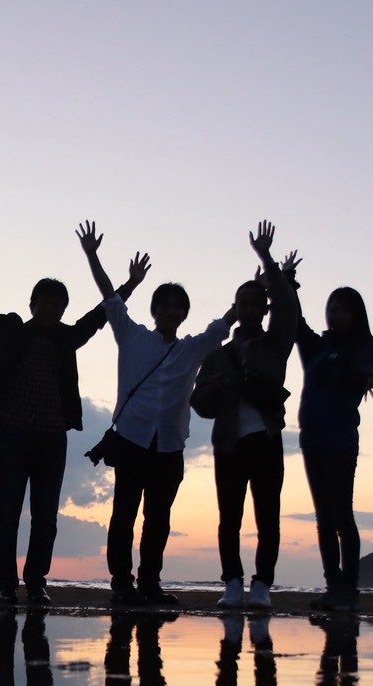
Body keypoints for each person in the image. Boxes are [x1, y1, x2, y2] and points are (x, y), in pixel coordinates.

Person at [0, 235, 147, 605]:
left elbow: (99, 317)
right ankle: (5, 584)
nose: (50, 308)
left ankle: (36, 581)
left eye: (58, 303)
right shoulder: (14, 330)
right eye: (44, 302)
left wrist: (130, 285)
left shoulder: (67, 337)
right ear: (32, 305)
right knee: (8, 511)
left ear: (63, 309)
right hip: (13, 433)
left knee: (46, 515)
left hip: (51, 438)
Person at [80, 220, 236, 607]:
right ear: (154, 310)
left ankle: (149, 583)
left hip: (169, 446)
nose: (170, 310)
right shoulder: (133, 336)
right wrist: (93, 255)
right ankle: (121, 583)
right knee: (123, 515)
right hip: (132, 440)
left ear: (184, 313)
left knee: (159, 520)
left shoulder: (192, 349)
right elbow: (109, 298)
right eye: (164, 304)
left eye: (177, 305)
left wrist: (251, 294)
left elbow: (223, 325)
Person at [196, 222, 299, 611]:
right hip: (228, 443)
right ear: (235, 309)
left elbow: (288, 306)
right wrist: (221, 387)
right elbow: (200, 403)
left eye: (257, 304)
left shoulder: (275, 344)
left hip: (266, 440)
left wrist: (267, 259)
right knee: (229, 519)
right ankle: (233, 583)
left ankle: (263, 586)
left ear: (264, 308)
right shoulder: (217, 353)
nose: (251, 309)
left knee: (267, 517)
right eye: (244, 304)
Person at [289, 269, 373, 611]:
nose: (336, 315)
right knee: (323, 517)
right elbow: (297, 324)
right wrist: (290, 284)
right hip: (312, 439)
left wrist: (364, 375)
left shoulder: (363, 344)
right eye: (332, 309)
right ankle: (333, 585)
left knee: (342, 514)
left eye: (343, 309)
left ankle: (349, 587)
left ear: (356, 315)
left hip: (341, 440)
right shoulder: (317, 346)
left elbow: (367, 369)